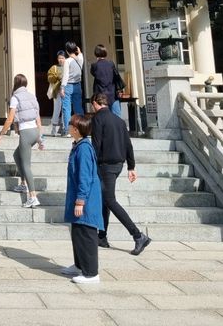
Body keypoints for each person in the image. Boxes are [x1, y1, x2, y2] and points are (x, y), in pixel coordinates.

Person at [90, 92, 152, 255]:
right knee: (105, 199)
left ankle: (138, 235)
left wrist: (90, 165)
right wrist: (131, 167)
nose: (93, 108)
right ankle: (102, 236)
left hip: (106, 165)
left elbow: (95, 144)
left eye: (92, 105)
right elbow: (128, 144)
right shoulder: (119, 120)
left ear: (96, 103)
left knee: (109, 200)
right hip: (118, 164)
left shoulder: (97, 119)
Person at [61, 114, 104, 284]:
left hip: (86, 200)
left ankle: (91, 273)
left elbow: (85, 177)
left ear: (76, 129)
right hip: (79, 197)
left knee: (86, 234)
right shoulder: (78, 146)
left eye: (71, 124)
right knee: (78, 232)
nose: (69, 126)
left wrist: (80, 201)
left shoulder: (84, 149)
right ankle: (80, 265)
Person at [0, 74, 44, 208]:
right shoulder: (32, 96)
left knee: (26, 165)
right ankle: (23, 184)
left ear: (15, 84)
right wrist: (40, 139)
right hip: (34, 131)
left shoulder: (15, 98)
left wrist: (1, 134)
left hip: (26, 133)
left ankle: (33, 196)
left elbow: (10, 119)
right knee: (17, 155)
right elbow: (38, 117)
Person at [90, 44, 124, 117]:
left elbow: (93, 73)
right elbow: (116, 77)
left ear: (96, 53)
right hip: (112, 94)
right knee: (117, 116)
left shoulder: (94, 66)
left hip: (100, 95)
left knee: (102, 117)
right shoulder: (111, 64)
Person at [60, 41, 84, 137]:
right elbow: (80, 55)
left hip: (68, 85)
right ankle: (82, 128)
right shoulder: (80, 59)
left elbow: (65, 75)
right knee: (78, 107)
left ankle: (67, 130)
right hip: (78, 85)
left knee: (67, 108)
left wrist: (62, 87)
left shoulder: (67, 61)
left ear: (66, 51)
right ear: (75, 49)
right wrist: (79, 52)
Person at [47, 50, 66, 136]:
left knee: (65, 109)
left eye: (62, 58)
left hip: (66, 91)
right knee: (57, 109)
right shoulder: (54, 67)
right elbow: (49, 78)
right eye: (59, 58)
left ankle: (63, 128)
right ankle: (54, 128)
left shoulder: (68, 67)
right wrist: (58, 76)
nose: (61, 60)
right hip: (57, 91)